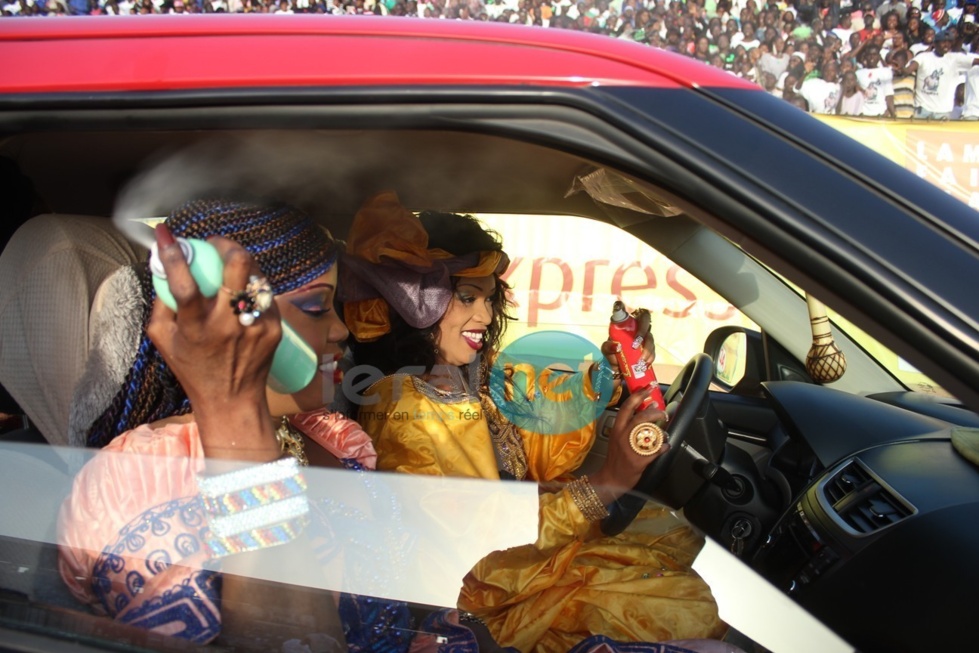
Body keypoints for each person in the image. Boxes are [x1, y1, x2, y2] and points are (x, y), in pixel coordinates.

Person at [57, 199, 484, 652]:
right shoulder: (142, 476)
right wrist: (237, 420)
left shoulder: (328, 437)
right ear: (233, 319)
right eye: (318, 309)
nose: (343, 331)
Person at [341, 192, 729, 653]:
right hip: (493, 603)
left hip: (531, 565)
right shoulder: (407, 408)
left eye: (489, 298)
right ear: (414, 303)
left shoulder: (466, 378)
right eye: (467, 297)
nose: (484, 316)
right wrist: (606, 484)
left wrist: (612, 375)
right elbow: (480, 556)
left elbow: (541, 435)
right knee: (685, 610)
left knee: (675, 537)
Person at [903, 30, 979, 118]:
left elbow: (976, 61)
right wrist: (901, 70)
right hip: (922, 109)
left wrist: (961, 36)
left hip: (943, 112)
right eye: (943, 42)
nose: (946, 44)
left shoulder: (954, 59)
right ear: (935, 43)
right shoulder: (923, 57)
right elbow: (909, 69)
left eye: (949, 42)